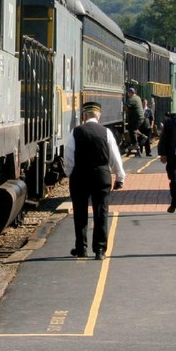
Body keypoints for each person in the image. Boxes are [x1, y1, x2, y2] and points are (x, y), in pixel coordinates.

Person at [64, 101, 126, 260]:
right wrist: (120, 177)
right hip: (101, 175)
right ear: (99, 116)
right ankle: (99, 249)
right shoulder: (106, 132)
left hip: (80, 175)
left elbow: (69, 157)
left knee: (80, 211)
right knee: (101, 212)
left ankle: (81, 248)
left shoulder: (75, 132)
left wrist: (70, 173)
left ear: (84, 116)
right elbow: (114, 156)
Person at [124, 87, 144, 155]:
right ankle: (142, 137)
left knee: (132, 130)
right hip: (140, 118)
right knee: (134, 129)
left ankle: (135, 143)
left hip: (136, 118)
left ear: (131, 93)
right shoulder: (138, 97)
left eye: (128, 93)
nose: (128, 94)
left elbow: (126, 108)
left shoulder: (132, 99)